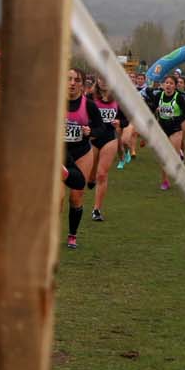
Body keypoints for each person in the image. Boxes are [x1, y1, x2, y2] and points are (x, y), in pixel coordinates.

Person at [61, 68, 110, 250]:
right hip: (59, 154)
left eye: (77, 80)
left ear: (82, 84)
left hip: (81, 153)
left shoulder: (88, 105)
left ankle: (72, 235)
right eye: (69, 79)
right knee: (57, 198)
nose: (72, 83)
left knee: (76, 196)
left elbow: (101, 128)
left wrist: (91, 132)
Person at [86, 75, 120, 220]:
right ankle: (90, 179)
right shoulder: (90, 96)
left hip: (109, 138)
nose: (104, 81)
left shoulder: (118, 96)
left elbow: (126, 117)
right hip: (93, 137)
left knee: (102, 174)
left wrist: (120, 122)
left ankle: (97, 210)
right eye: (101, 78)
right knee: (91, 174)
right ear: (97, 80)